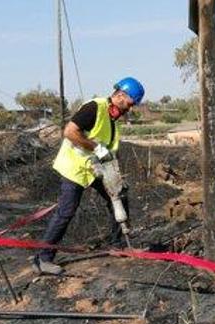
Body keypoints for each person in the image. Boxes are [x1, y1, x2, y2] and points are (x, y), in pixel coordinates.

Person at [32, 77, 145, 275]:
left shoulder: (113, 120)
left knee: (119, 195)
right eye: (130, 103)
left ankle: (118, 245)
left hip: (95, 169)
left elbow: (109, 149)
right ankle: (42, 259)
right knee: (66, 211)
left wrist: (113, 173)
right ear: (120, 95)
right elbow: (70, 132)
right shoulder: (95, 108)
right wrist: (96, 147)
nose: (131, 108)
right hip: (74, 168)